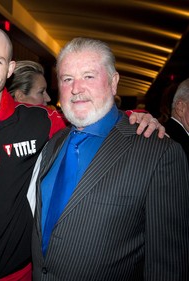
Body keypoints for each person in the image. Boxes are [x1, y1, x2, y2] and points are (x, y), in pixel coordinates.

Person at [0, 25, 165, 281]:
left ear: (10, 68)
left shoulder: (39, 121)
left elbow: (88, 118)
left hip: (22, 275)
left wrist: (133, 118)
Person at [29, 37, 189, 280]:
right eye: (67, 79)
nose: (76, 88)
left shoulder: (158, 152)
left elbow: (167, 264)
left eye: (89, 76)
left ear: (114, 83)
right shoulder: (53, 143)